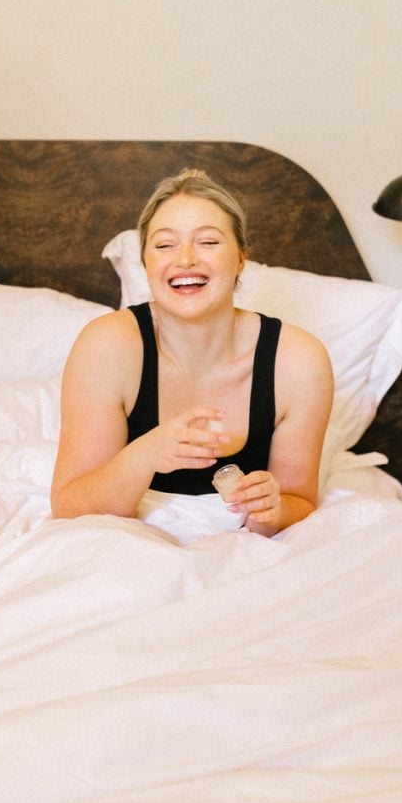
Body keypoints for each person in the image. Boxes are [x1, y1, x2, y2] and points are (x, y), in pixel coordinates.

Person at [50, 168, 334, 537]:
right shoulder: (108, 346)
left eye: (208, 242)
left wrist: (272, 510)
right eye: (165, 245)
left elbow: (300, 501)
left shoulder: (298, 361)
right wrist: (145, 455)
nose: (184, 260)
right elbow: (69, 506)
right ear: (146, 262)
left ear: (241, 258)